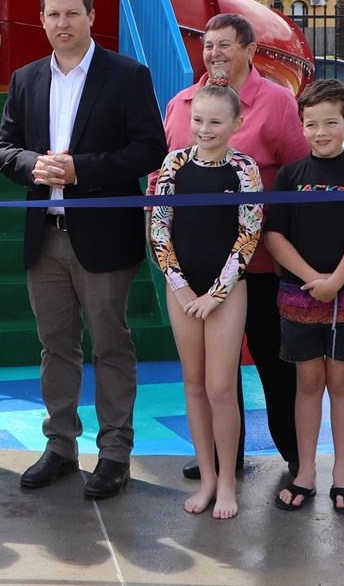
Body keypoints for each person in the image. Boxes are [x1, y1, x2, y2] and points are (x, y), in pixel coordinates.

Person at [0, 0, 167, 500]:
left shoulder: (127, 75)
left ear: (92, 16)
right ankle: (61, 447)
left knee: (111, 346)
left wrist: (80, 170)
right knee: (55, 347)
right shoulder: (25, 79)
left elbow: (149, 149)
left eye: (72, 13)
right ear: (41, 19)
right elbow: (3, 146)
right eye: (52, 14)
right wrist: (32, 164)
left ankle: (114, 453)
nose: (61, 23)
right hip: (43, 237)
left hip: (103, 238)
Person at [156, 13, 309, 484]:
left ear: (249, 49)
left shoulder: (278, 102)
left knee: (273, 361)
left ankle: (294, 453)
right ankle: (226, 459)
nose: (215, 53)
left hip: (258, 264)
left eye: (225, 45)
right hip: (193, 260)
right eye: (208, 46)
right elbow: (160, 180)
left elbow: (296, 174)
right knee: (210, 375)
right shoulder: (182, 103)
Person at [262, 78, 344, 517]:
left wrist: (336, 281)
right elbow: (274, 235)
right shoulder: (291, 175)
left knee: (341, 382)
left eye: (330, 122)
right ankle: (305, 471)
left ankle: (343, 474)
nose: (321, 132)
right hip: (298, 295)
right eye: (311, 124)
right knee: (308, 384)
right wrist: (313, 278)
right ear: (302, 127)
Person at [149, 84, 262, 520]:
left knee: (220, 387)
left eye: (216, 121)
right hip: (183, 289)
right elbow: (160, 228)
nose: (205, 129)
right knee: (193, 385)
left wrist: (215, 295)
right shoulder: (174, 163)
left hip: (226, 291)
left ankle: (229, 481)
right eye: (198, 120)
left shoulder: (244, 169)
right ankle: (209, 477)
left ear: (237, 124)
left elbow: (248, 234)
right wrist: (180, 288)